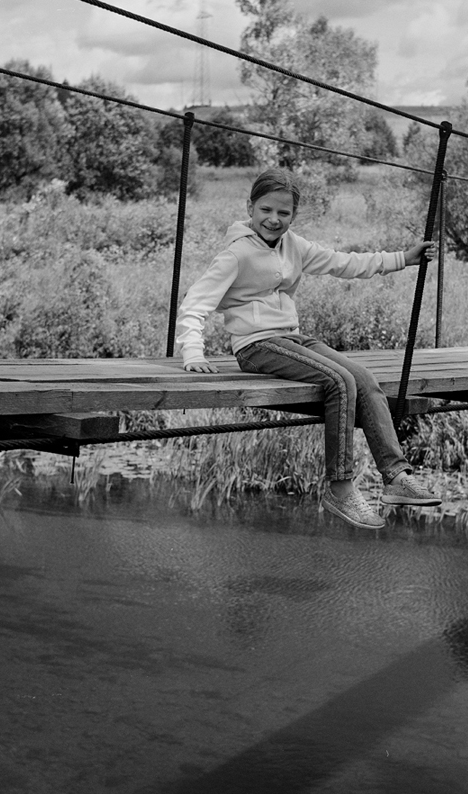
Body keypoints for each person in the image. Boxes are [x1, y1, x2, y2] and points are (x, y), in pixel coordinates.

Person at [176, 168, 441, 530]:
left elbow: (342, 263)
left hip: (291, 338)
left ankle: (396, 477)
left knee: (363, 378)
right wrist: (193, 353)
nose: (274, 219)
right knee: (339, 381)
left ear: (293, 216)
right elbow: (195, 302)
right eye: (266, 210)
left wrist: (401, 259)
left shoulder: (293, 245)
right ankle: (341, 488)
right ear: (250, 207)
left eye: (283, 213)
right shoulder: (236, 255)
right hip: (257, 345)